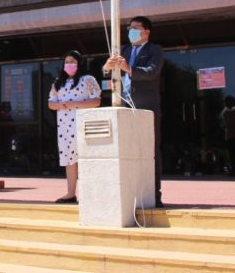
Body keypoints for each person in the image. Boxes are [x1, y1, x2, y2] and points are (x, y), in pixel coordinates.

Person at [104, 15, 165, 207]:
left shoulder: (155, 50)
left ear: (146, 32)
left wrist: (129, 68)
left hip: (145, 107)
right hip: (124, 106)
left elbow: (151, 72)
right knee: (124, 150)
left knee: (149, 150)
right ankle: (126, 195)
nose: (131, 31)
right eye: (129, 28)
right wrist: (107, 67)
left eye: (136, 28)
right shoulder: (123, 49)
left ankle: (154, 195)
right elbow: (106, 70)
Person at [48, 50, 101, 203]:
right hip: (64, 126)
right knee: (69, 159)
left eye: (72, 61)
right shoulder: (58, 82)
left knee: (85, 158)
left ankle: (89, 193)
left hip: (82, 123)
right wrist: (60, 105)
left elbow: (96, 101)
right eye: (67, 62)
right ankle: (71, 193)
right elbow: (51, 103)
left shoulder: (87, 79)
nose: (69, 65)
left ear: (79, 63)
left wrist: (75, 104)